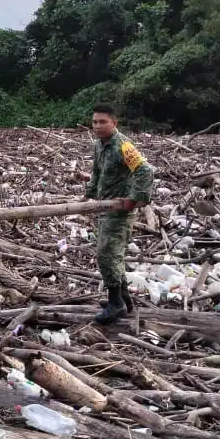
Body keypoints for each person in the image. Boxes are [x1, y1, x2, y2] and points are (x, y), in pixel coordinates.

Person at [84, 103, 154, 323]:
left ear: (114, 123)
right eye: (94, 122)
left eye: (102, 122)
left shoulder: (123, 146)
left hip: (119, 211)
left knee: (106, 254)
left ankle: (116, 304)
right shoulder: (99, 145)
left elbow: (145, 171)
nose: (97, 126)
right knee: (113, 255)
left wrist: (134, 200)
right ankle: (124, 299)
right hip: (104, 208)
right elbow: (97, 171)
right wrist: (90, 195)